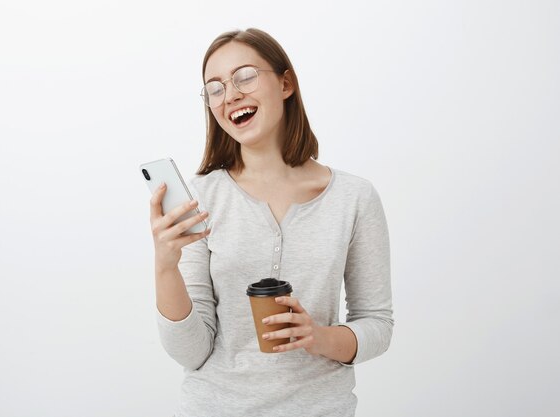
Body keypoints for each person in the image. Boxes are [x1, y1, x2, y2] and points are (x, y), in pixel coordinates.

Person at [148, 28, 393, 417]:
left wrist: (318, 337)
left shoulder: (354, 197)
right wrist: (164, 265)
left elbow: (377, 325)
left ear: (285, 83)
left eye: (244, 76)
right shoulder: (202, 198)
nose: (229, 95)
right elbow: (191, 353)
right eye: (214, 88)